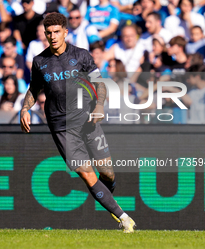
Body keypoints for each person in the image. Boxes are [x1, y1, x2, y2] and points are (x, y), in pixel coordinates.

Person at [19, 12, 136, 232]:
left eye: (56, 32)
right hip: (61, 126)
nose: (52, 36)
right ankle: (124, 218)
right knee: (86, 173)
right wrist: (25, 108)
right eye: (48, 33)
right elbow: (34, 89)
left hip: (87, 120)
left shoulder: (81, 56)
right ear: (45, 34)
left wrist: (100, 105)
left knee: (107, 172)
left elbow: (99, 84)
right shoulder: (39, 61)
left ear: (65, 32)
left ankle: (106, 196)